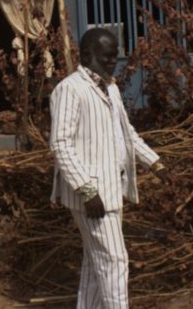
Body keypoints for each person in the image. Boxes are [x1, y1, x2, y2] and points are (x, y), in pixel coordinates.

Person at [49, 28, 172, 308]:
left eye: (115, 56)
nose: (111, 61)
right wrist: (87, 190)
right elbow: (60, 144)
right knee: (115, 261)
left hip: (111, 189)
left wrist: (156, 164)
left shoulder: (110, 87)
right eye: (106, 56)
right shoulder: (69, 89)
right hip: (92, 197)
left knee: (97, 264)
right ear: (86, 54)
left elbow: (126, 134)